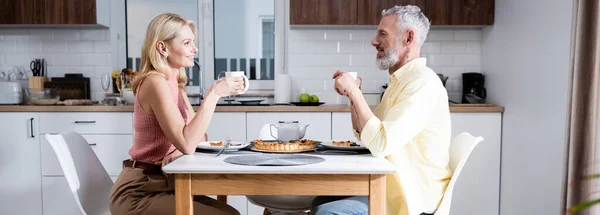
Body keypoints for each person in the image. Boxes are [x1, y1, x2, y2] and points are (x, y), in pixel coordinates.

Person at [311, 5, 452, 215]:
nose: (374, 41)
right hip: (388, 187)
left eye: (383, 34)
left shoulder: (422, 84)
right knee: (321, 200)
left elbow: (380, 143)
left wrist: (355, 92)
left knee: (327, 211)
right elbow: (366, 134)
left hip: (409, 199)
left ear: (408, 38)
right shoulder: (399, 82)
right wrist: (353, 95)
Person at [109, 13, 244, 215]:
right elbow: (188, 142)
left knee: (232, 213)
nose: (195, 49)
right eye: (187, 43)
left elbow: (199, 138)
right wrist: (214, 94)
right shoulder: (155, 82)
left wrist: (179, 150)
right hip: (140, 191)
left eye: (193, 42)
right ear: (162, 48)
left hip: (167, 184)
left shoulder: (175, 84)